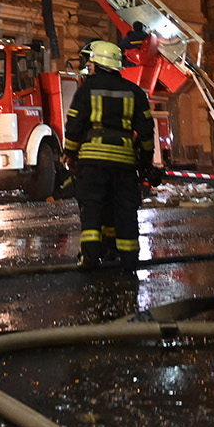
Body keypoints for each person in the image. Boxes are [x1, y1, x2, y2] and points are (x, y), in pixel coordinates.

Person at [62, 39, 155, 269]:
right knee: (124, 208)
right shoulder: (134, 92)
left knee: (92, 207)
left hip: (93, 161)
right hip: (124, 162)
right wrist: (145, 162)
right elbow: (145, 132)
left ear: (100, 62)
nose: (89, 65)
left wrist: (69, 153)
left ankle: (91, 258)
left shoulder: (87, 90)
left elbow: (74, 124)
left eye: (91, 61)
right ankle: (129, 258)